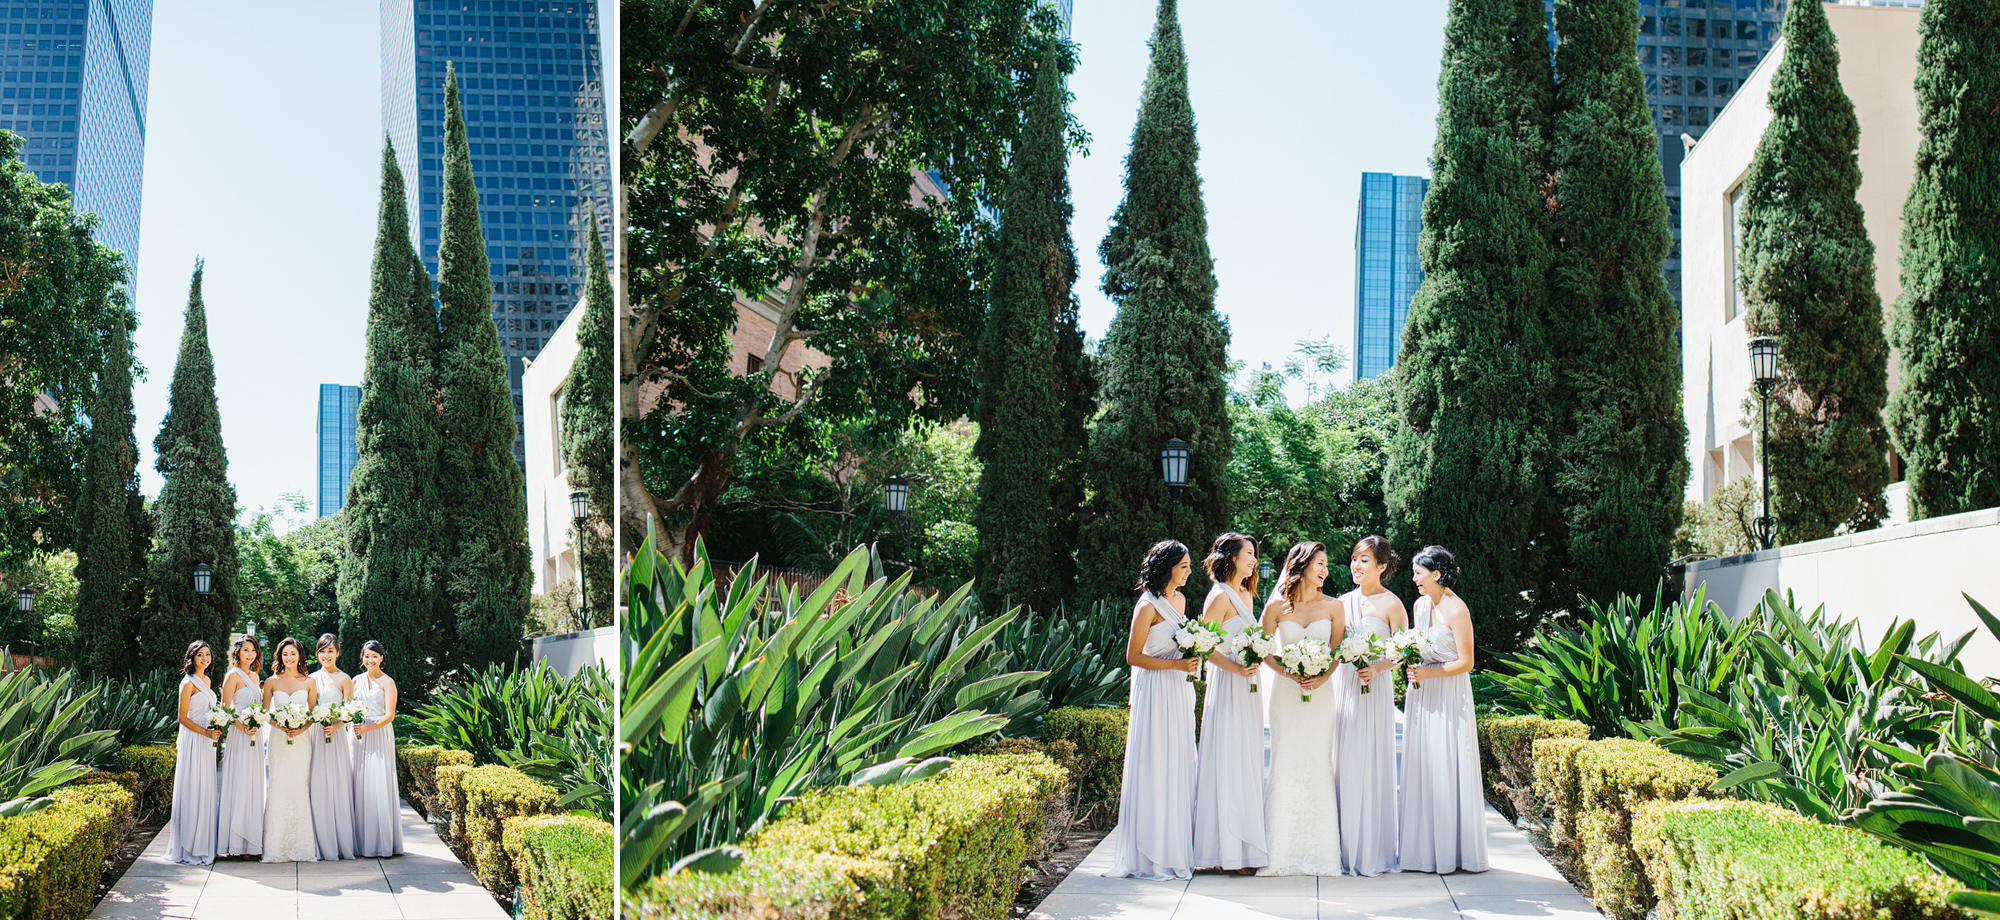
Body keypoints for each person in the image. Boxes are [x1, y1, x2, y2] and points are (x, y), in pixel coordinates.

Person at [1105, 540, 1200, 881]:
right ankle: (1150, 851)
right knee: (1157, 762)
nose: (1189, 572)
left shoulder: (1181, 600)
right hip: (1156, 690)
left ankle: (1175, 845)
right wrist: (1175, 666)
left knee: (1179, 762)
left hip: (1178, 692)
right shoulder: (1147, 605)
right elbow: (1133, 657)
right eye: (1184, 566)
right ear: (1167, 567)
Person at [1258, 541, 1346, 877]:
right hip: (1286, 693)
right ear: (1302, 565)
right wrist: (1287, 671)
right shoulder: (1278, 607)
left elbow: (1337, 650)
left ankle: (1321, 852)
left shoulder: (1334, 606)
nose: (1325, 570)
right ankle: (1280, 849)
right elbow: (1265, 650)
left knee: (1317, 761)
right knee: (1286, 759)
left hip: (1321, 695)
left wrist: (1322, 677)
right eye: (1320, 564)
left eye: (1326, 564)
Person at [1399, 546, 1489, 873]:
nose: (1414, 579)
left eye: (1418, 573)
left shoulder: (1456, 608)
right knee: (1424, 764)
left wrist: (1431, 673)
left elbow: (1467, 661)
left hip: (1449, 691)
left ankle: (1454, 851)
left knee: (1447, 761)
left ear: (1436, 574)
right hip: (1422, 691)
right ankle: (1422, 849)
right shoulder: (1421, 605)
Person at [1192, 533, 1269, 874]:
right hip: (1227, 683)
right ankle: (1221, 851)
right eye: (1248, 553)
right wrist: (1236, 667)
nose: (1253, 559)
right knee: (1226, 756)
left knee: (1245, 758)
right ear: (1231, 558)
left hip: (1248, 686)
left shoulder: (1246, 595)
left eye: (1254, 554)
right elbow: (1204, 647)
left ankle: (1241, 847)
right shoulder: (1219, 596)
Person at [1333, 534, 1405, 876]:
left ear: (1382, 566)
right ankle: (1342, 845)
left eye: (1364, 560)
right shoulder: (1341, 602)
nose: (1356, 566)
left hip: (1374, 687)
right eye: (1354, 559)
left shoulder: (1392, 604)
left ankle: (1372, 848)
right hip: (1343, 686)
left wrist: (1377, 667)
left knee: (1370, 758)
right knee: (1343, 757)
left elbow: (1403, 649)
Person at [262, 637, 320, 863]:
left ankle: (302, 846)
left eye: (293, 654)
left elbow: (314, 714)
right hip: (278, 739)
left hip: (301, 740)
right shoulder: (271, 682)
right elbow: (265, 713)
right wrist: (282, 725)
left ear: (300, 656)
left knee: (298, 784)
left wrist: (299, 727)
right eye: (285, 654)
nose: (289, 658)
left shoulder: (309, 682)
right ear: (279, 656)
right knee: (279, 784)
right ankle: (275, 846)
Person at [165, 640, 220, 866]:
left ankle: (203, 841)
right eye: (200, 655)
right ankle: (188, 844)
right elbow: (182, 717)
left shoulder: (207, 680)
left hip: (207, 740)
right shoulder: (187, 683)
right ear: (192, 658)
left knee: (205, 787)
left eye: (208, 655)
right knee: (192, 786)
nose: (205, 659)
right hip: (193, 739)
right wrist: (205, 734)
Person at [353, 639, 405, 857]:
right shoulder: (355, 680)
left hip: (378, 733)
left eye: (374, 656)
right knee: (361, 783)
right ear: (362, 658)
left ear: (382, 658)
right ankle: (362, 841)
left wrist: (369, 728)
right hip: (357, 736)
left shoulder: (388, 682)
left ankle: (381, 842)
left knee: (378, 782)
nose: (370, 660)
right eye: (366, 656)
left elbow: (390, 715)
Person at [309, 634, 358, 860]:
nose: (325, 655)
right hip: (314, 736)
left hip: (335, 737)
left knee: (336, 782)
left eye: (330, 651)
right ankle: (318, 839)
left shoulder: (345, 679)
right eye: (321, 651)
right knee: (316, 782)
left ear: (338, 653)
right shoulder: (310, 679)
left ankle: (339, 841)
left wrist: (337, 725)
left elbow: (350, 711)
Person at [216, 637, 265, 858]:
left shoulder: (255, 676)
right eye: (246, 650)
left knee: (253, 783)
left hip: (255, 735)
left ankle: (250, 842)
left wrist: (257, 722)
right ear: (237, 652)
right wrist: (242, 726)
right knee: (239, 781)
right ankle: (234, 844)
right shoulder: (232, 676)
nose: (250, 654)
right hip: (239, 734)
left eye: (253, 650)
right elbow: (224, 710)